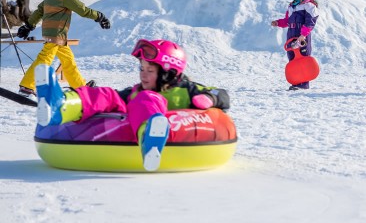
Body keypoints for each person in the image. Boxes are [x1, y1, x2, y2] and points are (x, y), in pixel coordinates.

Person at [35, 39, 231, 171]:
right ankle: (61, 106)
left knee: (147, 99)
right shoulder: (136, 91)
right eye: (141, 68)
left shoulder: (187, 89)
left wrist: (209, 99)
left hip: (171, 126)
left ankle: (150, 138)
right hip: (134, 108)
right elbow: (109, 101)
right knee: (107, 94)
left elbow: (221, 94)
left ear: (169, 72)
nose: (143, 74)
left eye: (150, 70)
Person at [16, 0, 111, 98]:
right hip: (56, 33)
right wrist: (100, 16)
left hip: (57, 34)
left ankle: (80, 87)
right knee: (45, 59)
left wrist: (29, 26)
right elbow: (82, 9)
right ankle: (27, 86)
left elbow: (40, 11)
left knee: (68, 61)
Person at [271, 0, 319, 90]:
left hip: (301, 36)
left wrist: (303, 35)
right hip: (291, 36)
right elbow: (288, 21)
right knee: (292, 57)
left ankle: (303, 84)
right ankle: (297, 82)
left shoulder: (308, 5)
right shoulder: (292, 6)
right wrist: (278, 23)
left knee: (302, 57)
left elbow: (311, 20)